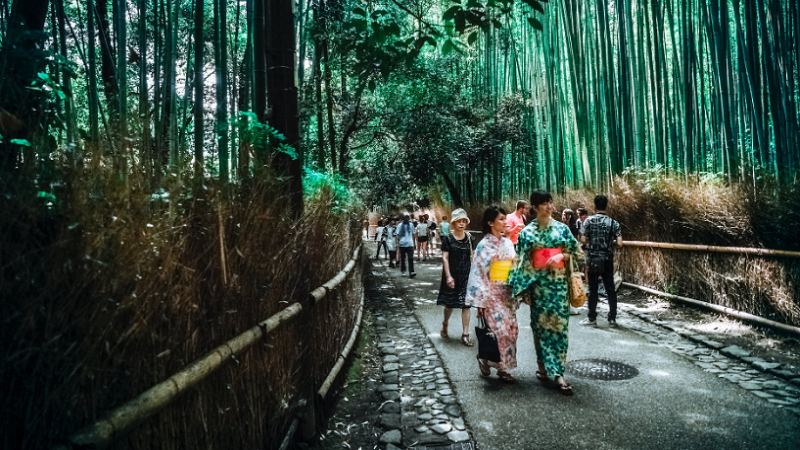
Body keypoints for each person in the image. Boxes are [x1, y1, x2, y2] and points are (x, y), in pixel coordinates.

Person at [509, 191, 582, 395]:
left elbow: (576, 251)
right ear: (534, 207)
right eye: (544, 203)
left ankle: (558, 373)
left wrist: (561, 255)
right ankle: (542, 365)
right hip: (538, 288)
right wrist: (521, 289)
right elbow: (520, 261)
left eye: (551, 202)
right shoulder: (526, 233)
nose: (549, 206)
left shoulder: (562, 229)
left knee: (560, 330)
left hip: (558, 287)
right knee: (540, 329)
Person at [466, 206, 519, 382]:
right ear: (490, 223)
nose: (505, 222)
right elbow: (478, 274)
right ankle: (488, 361)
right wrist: (480, 302)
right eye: (501, 219)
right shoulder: (483, 245)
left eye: (505, 218)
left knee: (511, 331)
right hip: (491, 294)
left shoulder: (508, 243)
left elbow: (513, 267)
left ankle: (503, 367)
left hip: (506, 293)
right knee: (497, 331)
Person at [580, 195, 623, 328]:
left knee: (593, 289)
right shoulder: (613, 223)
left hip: (593, 258)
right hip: (607, 258)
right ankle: (612, 319)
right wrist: (610, 243)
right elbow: (620, 243)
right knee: (610, 289)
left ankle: (592, 318)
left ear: (595, 205)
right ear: (606, 206)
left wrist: (591, 243)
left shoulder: (588, 221)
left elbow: (582, 240)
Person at [438, 208, 474, 346]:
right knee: (449, 304)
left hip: (466, 276)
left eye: (464, 221)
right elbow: (445, 258)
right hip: (452, 275)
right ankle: (445, 323)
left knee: (467, 305)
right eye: (459, 221)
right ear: (453, 223)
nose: (462, 223)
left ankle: (465, 334)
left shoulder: (470, 238)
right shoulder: (447, 239)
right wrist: (448, 276)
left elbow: (474, 256)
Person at [397, 212, 417, 277]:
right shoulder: (400, 226)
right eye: (405, 217)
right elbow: (397, 235)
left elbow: (413, 234)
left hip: (410, 244)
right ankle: (403, 270)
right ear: (403, 218)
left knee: (410, 258)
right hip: (402, 244)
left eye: (407, 217)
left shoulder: (411, 225)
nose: (406, 218)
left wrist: (414, 243)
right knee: (403, 258)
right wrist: (398, 243)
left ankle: (411, 271)